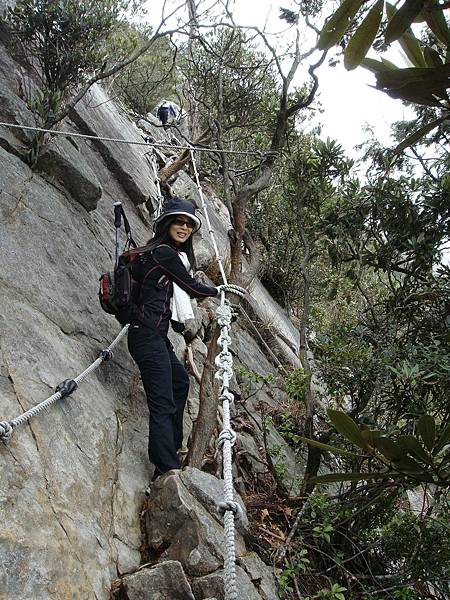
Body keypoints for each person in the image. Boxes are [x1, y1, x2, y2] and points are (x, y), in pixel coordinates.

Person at [121, 197, 225, 488]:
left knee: (180, 383)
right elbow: (191, 286)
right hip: (146, 335)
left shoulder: (162, 253)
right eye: (179, 221)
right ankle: (164, 467)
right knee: (162, 401)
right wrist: (221, 289)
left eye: (189, 224)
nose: (184, 227)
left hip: (153, 335)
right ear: (167, 223)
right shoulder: (165, 253)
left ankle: (172, 446)